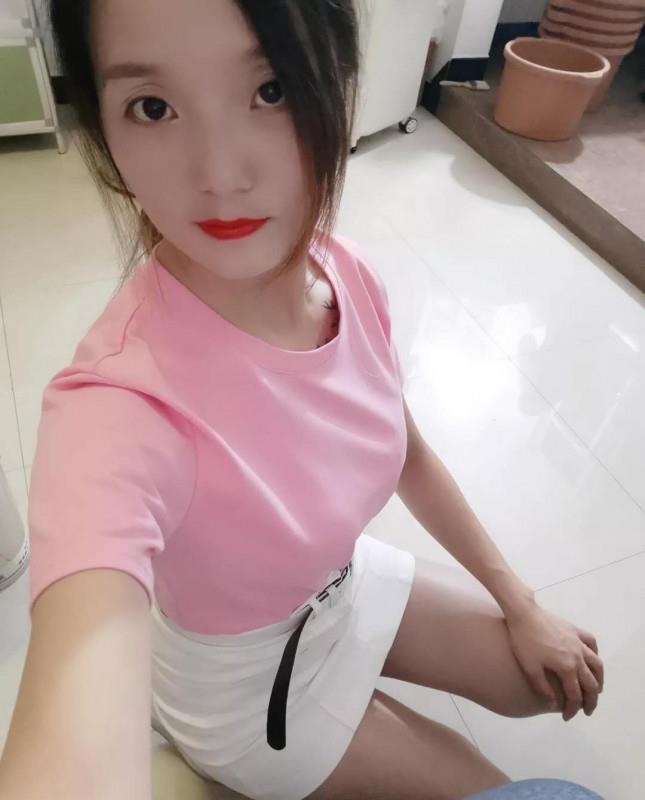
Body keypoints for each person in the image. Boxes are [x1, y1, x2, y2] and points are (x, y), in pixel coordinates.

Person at [0, 2, 604, 800]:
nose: (220, 174)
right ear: (105, 132)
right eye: (152, 107)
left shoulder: (343, 269)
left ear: (338, 86)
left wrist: (520, 605)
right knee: (499, 785)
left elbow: (407, 452)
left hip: (341, 584)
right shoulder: (117, 406)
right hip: (249, 693)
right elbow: (76, 684)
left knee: (542, 684)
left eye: (271, 89)